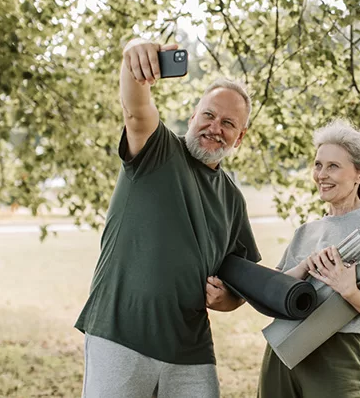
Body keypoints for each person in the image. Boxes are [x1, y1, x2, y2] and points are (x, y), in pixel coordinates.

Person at [75, 38, 261, 398]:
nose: (214, 127)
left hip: (191, 351)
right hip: (121, 334)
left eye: (228, 122)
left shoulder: (233, 199)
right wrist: (134, 53)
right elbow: (136, 110)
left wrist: (228, 299)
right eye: (208, 115)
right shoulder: (157, 150)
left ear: (240, 137)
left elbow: (241, 280)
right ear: (193, 117)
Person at [257, 119, 360, 398]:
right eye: (318, 165)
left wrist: (348, 288)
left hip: (337, 354)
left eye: (333, 166)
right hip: (281, 348)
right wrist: (302, 267)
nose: (322, 174)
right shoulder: (306, 231)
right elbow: (272, 294)